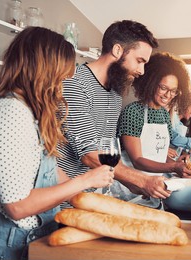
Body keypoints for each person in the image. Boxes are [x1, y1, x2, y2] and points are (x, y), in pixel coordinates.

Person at [0, 27, 113, 260]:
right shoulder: (10, 113)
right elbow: (17, 206)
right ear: (42, 69)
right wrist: (84, 181)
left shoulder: (27, 111)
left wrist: (91, 203)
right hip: (11, 249)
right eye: (61, 75)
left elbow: (49, 169)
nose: (64, 82)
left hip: (38, 240)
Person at [57, 20, 171, 204]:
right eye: (139, 61)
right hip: (61, 202)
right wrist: (140, 180)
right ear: (117, 50)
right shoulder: (74, 84)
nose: (142, 71)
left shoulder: (115, 93)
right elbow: (90, 154)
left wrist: (130, 182)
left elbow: (106, 153)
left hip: (91, 199)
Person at [117, 52, 191, 181]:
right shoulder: (133, 112)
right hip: (129, 187)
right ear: (151, 83)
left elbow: (158, 155)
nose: (168, 95)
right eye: (163, 88)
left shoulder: (164, 115)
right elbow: (137, 160)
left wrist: (177, 162)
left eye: (173, 91)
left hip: (153, 185)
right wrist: (173, 166)